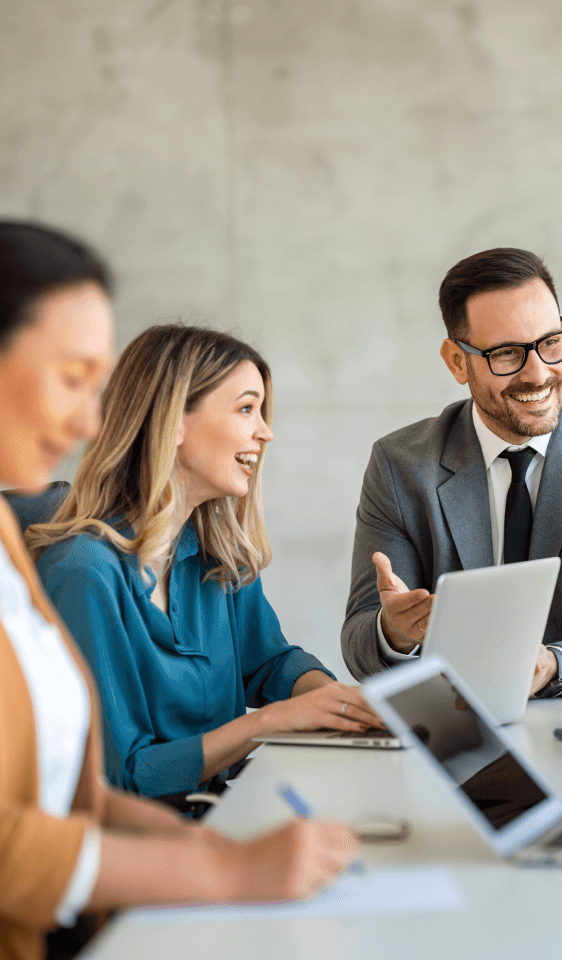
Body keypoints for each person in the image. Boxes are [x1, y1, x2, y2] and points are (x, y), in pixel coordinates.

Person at [0, 221, 356, 960]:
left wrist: (176, 837)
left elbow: (43, 782)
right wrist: (221, 866)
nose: (88, 420)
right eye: (71, 379)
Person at [29, 324, 384, 803]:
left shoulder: (216, 555)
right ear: (174, 420)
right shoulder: (83, 574)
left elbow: (270, 665)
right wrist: (266, 723)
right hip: (147, 849)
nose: (266, 431)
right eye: (246, 408)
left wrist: (344, 705)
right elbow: (120, 779)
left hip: (225, 810)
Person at [340, 247, 562, 696]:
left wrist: (558, 665)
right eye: (505, 353)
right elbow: (360, 643)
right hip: (460, 733)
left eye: (551, 343)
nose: (538, 374)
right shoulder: (400, 466)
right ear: (457, 362)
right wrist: (396, 633)